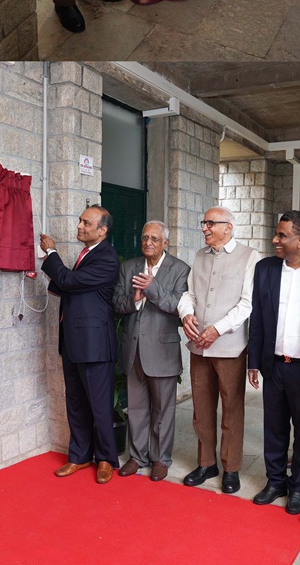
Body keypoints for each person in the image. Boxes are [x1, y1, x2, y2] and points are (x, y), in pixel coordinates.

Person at [177, 206, 259, 494]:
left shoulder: (250, 257)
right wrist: (186, 313)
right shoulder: (199, 256)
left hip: (230, 347)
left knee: (232, 410)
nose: (204, 228)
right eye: (203, 223)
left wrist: (218, 329)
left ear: (229, 227)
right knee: (201, 409)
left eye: (210, 223)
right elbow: (189, 293)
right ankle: (206, 463)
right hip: (199, 346)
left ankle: (231, 467)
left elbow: (247, 303)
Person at [248, 211, 300, 514]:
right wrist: (254, 361)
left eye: (282, 235)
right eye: (276, 234)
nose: (274, 240)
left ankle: (298, 486)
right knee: (274, 427)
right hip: (273, 364)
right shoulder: (265, 268)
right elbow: (257, 318)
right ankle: (275, 481)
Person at [40, 205, 122, 482]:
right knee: (75, 402)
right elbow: (71, 286)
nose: (79, 226)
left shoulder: (107, 258)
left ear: (102, 230)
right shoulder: (87, 254)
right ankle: (79, 456)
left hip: (95, 345)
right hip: (74, 342)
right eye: (80, 221)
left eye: (86, 223)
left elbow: (70, 280)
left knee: (99, 406)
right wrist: (54, 279)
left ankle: (107, 459)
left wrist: (51, 253)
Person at [112, 220, 189, 482]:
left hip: (162, 351)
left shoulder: (180, 269)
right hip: (133, 350)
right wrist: (132, 302)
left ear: (165, 243)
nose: (148, 243)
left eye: (155, 239)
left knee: (163, 410)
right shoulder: (128, 267)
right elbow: (116, 303)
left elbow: (178, 306)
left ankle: (160, 459)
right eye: (145, 238)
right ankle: (137, 456)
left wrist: (152, 288)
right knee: (136, 407)